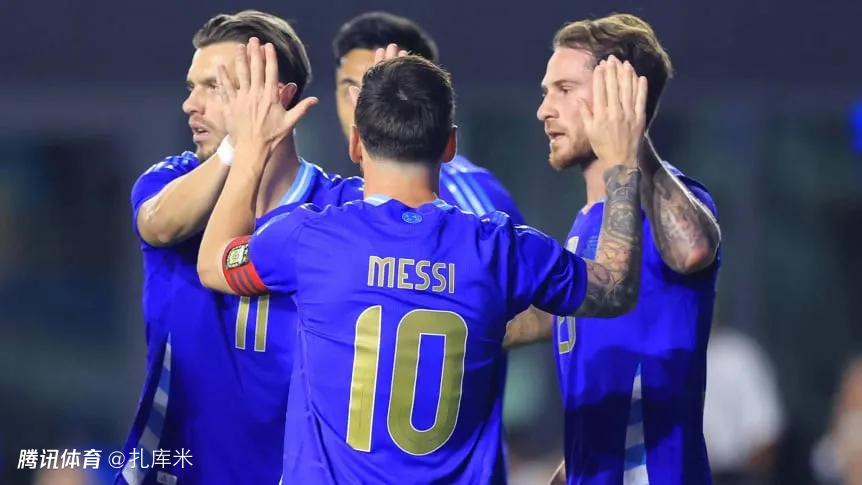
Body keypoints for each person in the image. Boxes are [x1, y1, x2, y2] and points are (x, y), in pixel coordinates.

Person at [197, 50, 646, 484]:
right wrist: (622, 163)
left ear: (355, 143)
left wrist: (251, 148)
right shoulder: (500, 248)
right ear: (450, 145)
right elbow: (615, 288)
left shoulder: (310, 238)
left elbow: (215, 262)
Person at [121, 11, 363, 485]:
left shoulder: (341, 211)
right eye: (191, 86)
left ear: (276, 97)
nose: (190, 104)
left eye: (213, 87)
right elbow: (159, 225)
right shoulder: (171, 181)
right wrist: (240, 147)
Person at [536, 13, 723, 485]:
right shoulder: (586, 224)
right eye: (546, 92)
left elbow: (694, 250)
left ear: (619, 98)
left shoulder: (664, 202)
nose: (544, 110)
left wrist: (630, 146)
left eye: (563, 89)